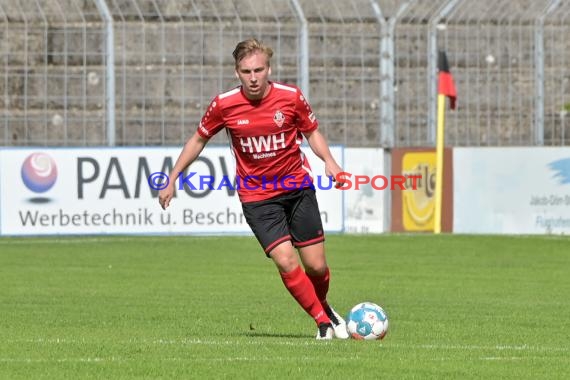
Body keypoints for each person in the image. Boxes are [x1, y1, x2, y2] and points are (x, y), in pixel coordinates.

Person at [158, 38, 348, 340]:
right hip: (258, 198)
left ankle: (324, 306)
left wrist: (330, 163)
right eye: (247, 71)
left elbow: (312, 133)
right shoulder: (224, 105)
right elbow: (198, 140)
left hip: (297, 188)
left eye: (259, 69)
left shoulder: (291, 97)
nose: (254, 77)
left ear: (268, 68)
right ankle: (322, 323)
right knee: (285, 260)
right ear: (237, 73)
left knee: (316, 266)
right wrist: (172, 178)